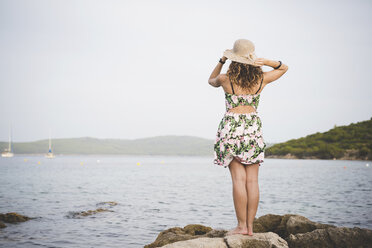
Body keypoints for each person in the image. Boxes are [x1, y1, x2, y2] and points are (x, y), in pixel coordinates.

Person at [208, 39, 289, 236]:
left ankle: (241, 226)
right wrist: (265, 61)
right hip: (252, 128)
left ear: (234, 59)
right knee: (252, 181)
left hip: (232, 128)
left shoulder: (226, 79)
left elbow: (211, 80)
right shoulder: (261, 79)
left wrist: (222, 60)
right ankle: (250, 228)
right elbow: (284, 68)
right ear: (251, 58)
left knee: (238, 180)